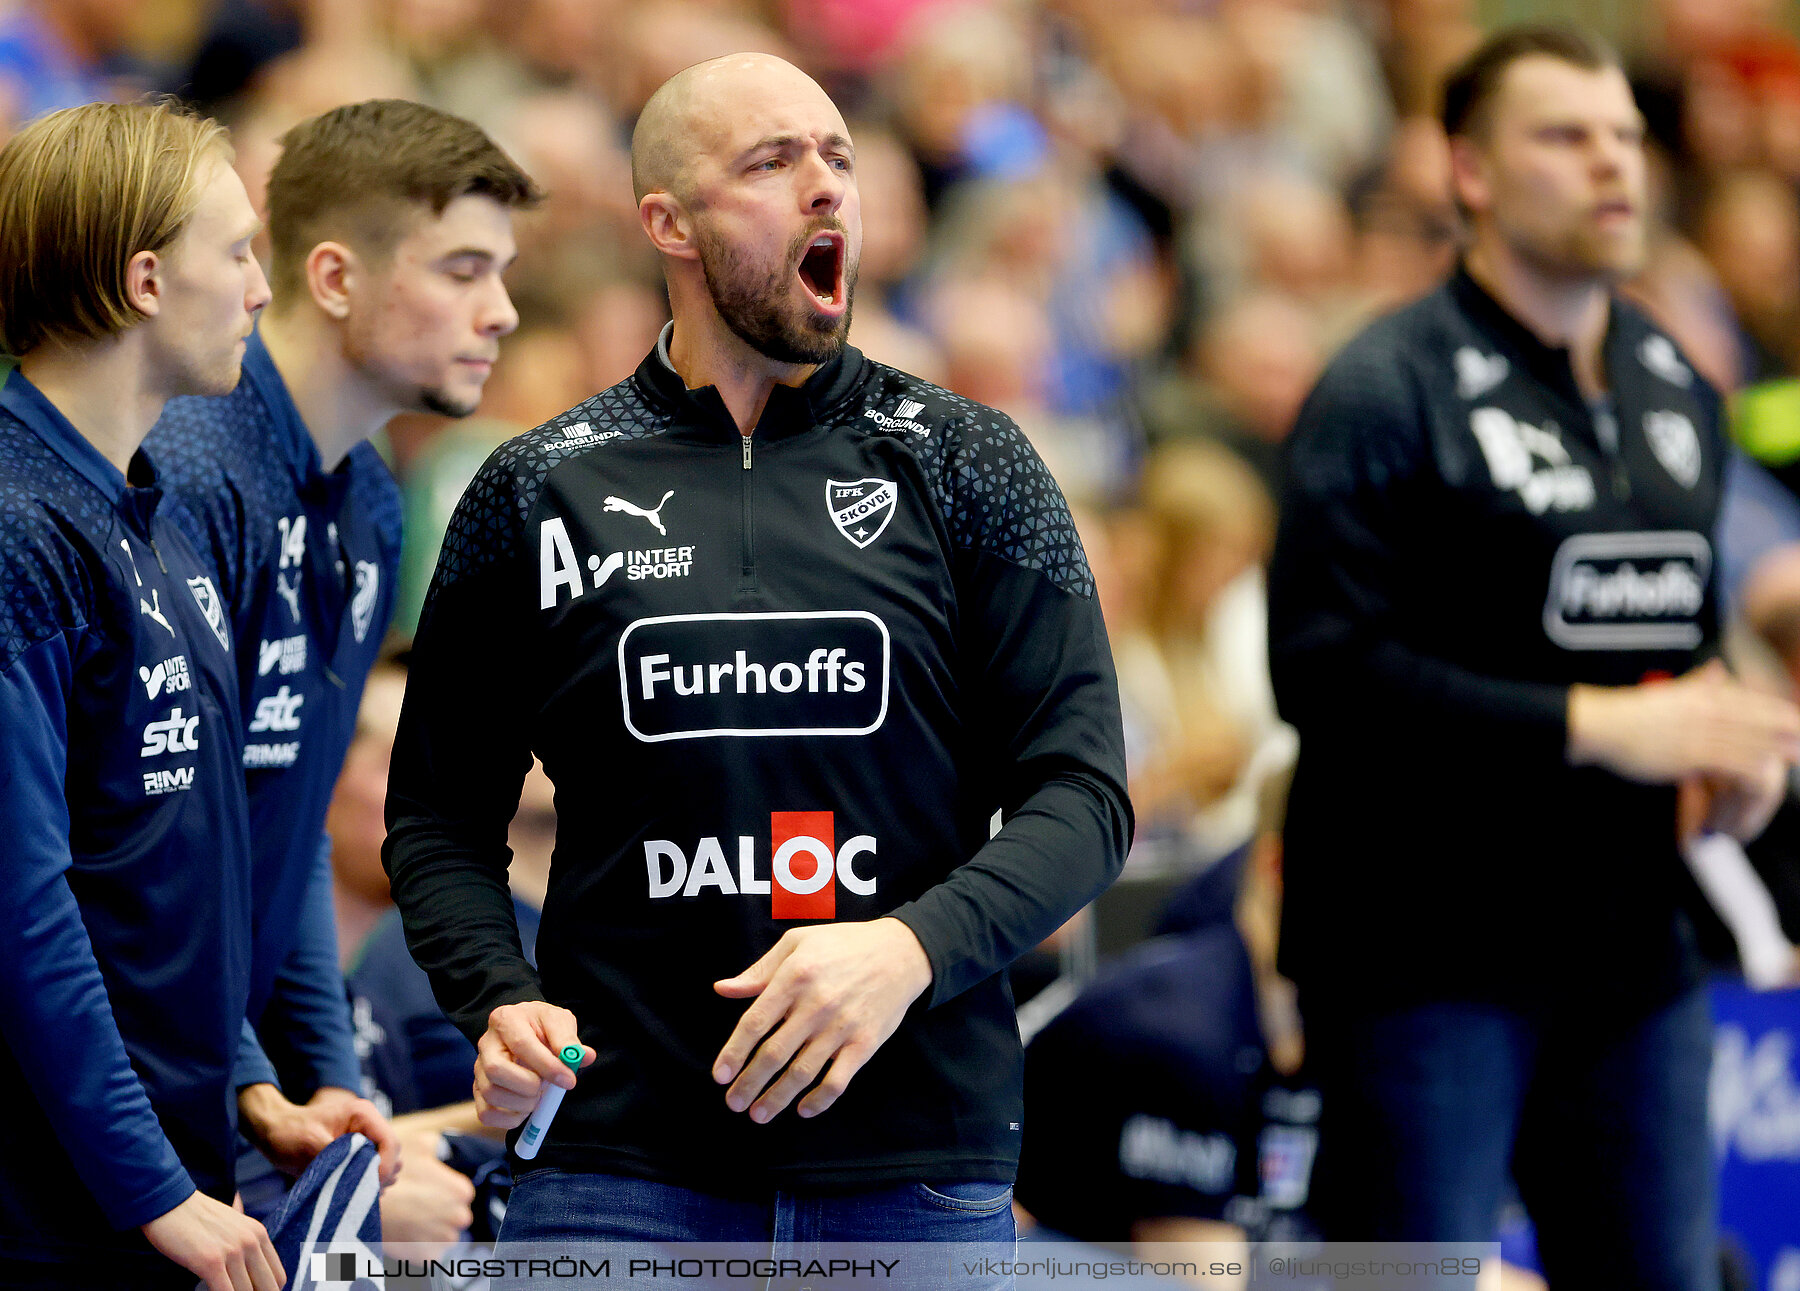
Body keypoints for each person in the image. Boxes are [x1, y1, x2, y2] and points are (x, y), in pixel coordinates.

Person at [384, 51, 1131, 1266]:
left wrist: (908, 948)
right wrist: (498, 997)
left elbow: (1085, 796)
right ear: (666, 222)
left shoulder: (970, 464)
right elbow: (434, 814)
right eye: (772, 163)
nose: (827, 187)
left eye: (838, 158)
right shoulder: (535, 489)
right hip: (618, 1170)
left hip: (913, 1164)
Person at [1267, 25, 1800, 1286]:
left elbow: (1665, 644)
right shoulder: (1385, 387)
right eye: (1565, 137)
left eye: (1624, 136)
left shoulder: (1674, 384)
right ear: (1471, 172)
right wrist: (1599, 726)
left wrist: (1730, 752)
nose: (1613, 165)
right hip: (1423, 955)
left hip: (1633, 952)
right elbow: (1324, 675)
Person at [148, 98, 540, 1203]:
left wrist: (335, 1091)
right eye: (463, 269)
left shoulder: (370, 498)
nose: (502, 311)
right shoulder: (187, 469)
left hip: (239, 1086)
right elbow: (140, 852)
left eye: (503, 272)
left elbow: (297, 832)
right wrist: (254, 1093)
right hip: (141, 1095)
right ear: (333, 279)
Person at [0, 101, 281, 1290]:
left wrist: (249, 1077)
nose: (264, 289)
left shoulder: (155, 504)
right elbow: (19, 901)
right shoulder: (18, 524)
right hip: (54, 1209)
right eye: (240, 251)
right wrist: (152, 1184)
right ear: (146, 279)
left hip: (172, 1167)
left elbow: (173, 858)